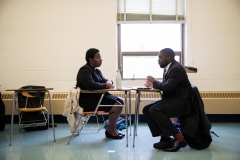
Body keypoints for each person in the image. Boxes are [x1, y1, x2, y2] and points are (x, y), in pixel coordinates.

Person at [142, 48, 192, 152]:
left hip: (180, 102)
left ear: (168, 58)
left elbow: (168, 88)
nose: (158, 60)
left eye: (160, 57)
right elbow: (168, 85)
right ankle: (164, 138)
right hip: (173, 99)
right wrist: (153, 84)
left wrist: (154, 81)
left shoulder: (176, 69)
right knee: (147, 109)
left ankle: (179, 138)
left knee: (154, 110)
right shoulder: (169, 67)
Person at [76, 48, 124, 139]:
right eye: (98, 57)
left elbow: (106, 81)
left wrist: (109, 82)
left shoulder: (97, 71)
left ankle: (113, 129)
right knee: (117, 106)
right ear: (90, 59)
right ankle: (110, 130)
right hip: (88, 100)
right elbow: (90, 85)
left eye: (100, 57)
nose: (101, 59)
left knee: (121, 101)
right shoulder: (85, 70)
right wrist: (106, 85)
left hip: (98, 97)